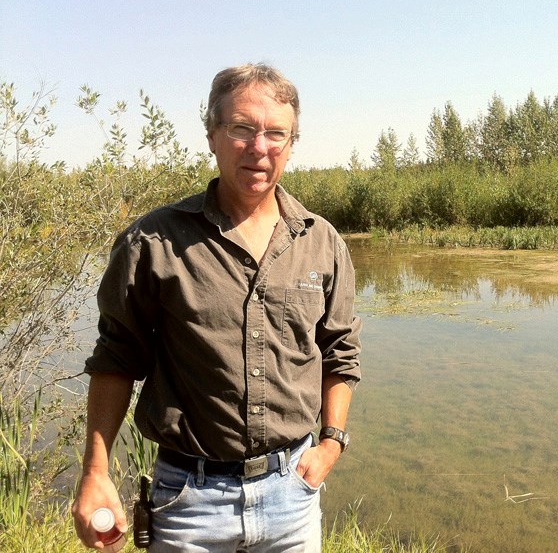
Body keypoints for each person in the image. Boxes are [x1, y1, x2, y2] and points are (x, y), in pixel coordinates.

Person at [71, 63, 362, 552]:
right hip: (188, 504)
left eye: (276, 133)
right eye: (242, 129)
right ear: (212, 135)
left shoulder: (322, 242)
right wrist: (95, 473)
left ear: (291, 144)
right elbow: (116, 360)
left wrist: (331, 441)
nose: (260, 146)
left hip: (293, 496)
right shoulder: (153, 242)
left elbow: (340, 351)